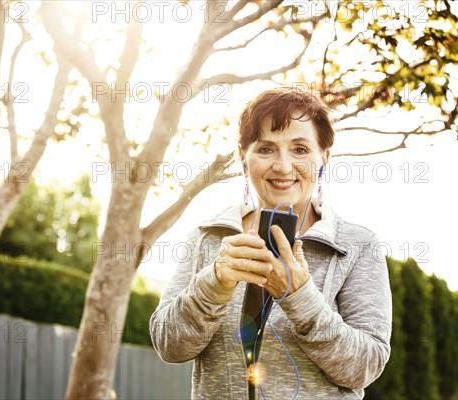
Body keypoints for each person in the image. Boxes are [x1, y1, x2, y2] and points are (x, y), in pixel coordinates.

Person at [149, 87, 392, 399]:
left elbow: (365, 367)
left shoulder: (358, 245)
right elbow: (169, 346)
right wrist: (213, 284)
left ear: (323, 158)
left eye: (300, 150)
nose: (283, 166)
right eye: (266, 149)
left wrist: (300, 296)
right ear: (243, 158)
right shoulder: (207, 238)